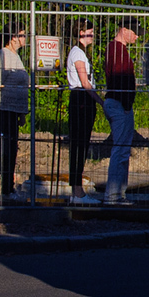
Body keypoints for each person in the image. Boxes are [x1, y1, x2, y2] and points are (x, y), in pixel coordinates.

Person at [0, 20, 29, 200]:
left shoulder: (16, 56)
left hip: (13, 110)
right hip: (3, 109)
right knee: (6, 150)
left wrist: (21, 114)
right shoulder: (2, 55)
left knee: (10, 149)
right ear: (13, 38)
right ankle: (3, 188)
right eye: (22, 35)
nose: (25, 38)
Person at [102, 17, 140, 205]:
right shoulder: (116, 50)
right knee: (120, 150)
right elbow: (120, 78)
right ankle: (113, 194)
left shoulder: (117, 50)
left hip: (118, 102)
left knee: (122, 149)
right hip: (119, 103)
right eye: (134, 32)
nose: (136, 36)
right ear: (124, 30)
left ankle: (117, 193)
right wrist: (126, 104)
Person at [66, 19, 102, 205]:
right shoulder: (78, 53)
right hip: (81, 99)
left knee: (81, 144)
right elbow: (85, 83)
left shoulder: (80, 53)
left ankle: (77, 190)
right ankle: (77, 192)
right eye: (89, 31)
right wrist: (100, 101)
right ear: (81, 33)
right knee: (79, 145)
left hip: (83, 99)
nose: (92, 35)